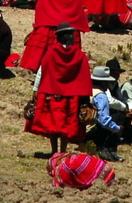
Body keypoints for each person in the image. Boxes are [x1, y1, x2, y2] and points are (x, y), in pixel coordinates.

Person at [26, 22, 91, 155]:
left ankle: (54, 151)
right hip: (71, 97)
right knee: (66, 125)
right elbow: (84, 75)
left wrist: (36, 89)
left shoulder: (51, 52)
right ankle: (62, 151)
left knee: (52, 124)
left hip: (52, 94)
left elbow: (41, 70)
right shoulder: (79, 55)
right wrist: (84, 96)